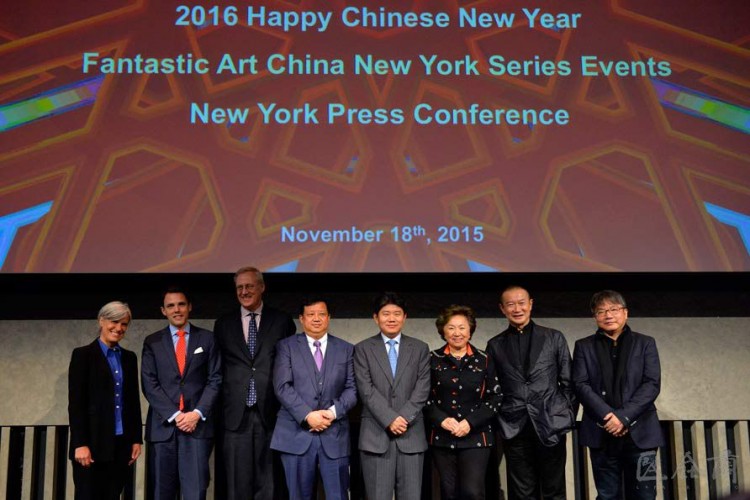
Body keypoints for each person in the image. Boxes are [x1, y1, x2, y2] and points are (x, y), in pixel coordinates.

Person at [485, 285, 577, 500]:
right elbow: (492, 388)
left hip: (550, 423)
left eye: (521, 303)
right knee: (521, 491)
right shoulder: (495, 345)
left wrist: (563, 415)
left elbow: (569, 382)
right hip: (514, 425)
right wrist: (501, 418)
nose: (517, 309)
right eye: (510, 304)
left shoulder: (554, 337)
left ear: (531, 304)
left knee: (554, 488)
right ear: (502, 309)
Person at [213, 266, 296, 500]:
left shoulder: (281, 321)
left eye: (249, 286)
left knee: (269, 483)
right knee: (236, 485)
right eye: (239, 287)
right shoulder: (223, 324)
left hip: (270, 412)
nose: (244, 291)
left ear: (262, 287)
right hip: (234, 415)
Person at [573, 290, 665, 500]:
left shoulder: (645, 343)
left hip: (641, 433)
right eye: (601, 311)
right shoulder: (583, 346)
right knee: (607, 495)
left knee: (645, 495)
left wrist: (623, 417)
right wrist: (608, 417)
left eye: (614, 309)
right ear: (594, 316)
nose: (608, 315)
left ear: (625, 313)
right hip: (601, 431)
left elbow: (651, 384)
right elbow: (580, 384)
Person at [270, 298, 358, 500]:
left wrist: (331, 413)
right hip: (295, 434)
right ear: (301, 319)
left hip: (334, 434)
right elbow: (282, 386)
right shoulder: (286, 347)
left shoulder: (346, 348)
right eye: (311, 314)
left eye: (321, 314)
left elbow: (352, 388)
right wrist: (307, 415)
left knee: (338, 495)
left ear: (329, 317)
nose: (316, 319)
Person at [141, 286, 222, 500]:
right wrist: (176, 416)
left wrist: (196, 414)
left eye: (181, 304)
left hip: (197, 427)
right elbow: (149, 384)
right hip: (163, 428)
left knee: (196, 491)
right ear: (163, 311)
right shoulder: (152, 342)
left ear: (189, 307)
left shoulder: (207, 339)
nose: (176, 309)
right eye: (170, 306)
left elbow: (215, 379)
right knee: (161, 492)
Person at [353, 292, 431, 500]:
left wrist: (402, 418)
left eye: (397, 314)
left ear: (405, 317)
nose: (391, 318)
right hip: (376, 436)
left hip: (411, 435)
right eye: (386, 313)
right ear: (375, 317)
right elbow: (365, 389)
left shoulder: (420, 349)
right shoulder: (362, 349)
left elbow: (423, 388)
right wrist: (390, 419)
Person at [67, 301, 143, 500]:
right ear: (101, 321)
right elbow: (76, 404)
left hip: (120, 445)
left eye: (124, 324)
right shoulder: (82, 355)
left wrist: (136, 438)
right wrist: (80, 443)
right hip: (90, 446)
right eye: (114, 322)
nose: (118, 328)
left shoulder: (129, 358)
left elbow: (133, 401)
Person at [425, 304, 500, 500]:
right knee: (448, 492)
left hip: (476, 436)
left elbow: (495, 397)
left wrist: (470, 422)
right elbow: (423, 397)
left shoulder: (485, 359)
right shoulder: (432, 359)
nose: (457, 333)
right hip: (442, 436)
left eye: (462, 327)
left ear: (470, 330)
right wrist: (441, 420)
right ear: (443, 330)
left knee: (472, 492)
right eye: (451, 327)